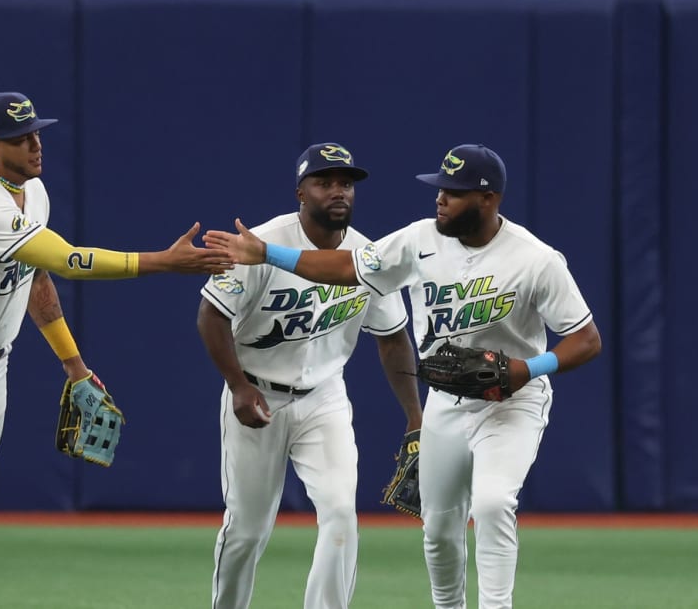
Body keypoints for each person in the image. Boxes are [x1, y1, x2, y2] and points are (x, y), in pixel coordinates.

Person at [0, 91, 231, 609]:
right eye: (19, 138)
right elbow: (71, 260)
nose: (35, 145)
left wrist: (74, 365)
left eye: (36, 134)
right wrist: (162, 261)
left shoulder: (36, 193)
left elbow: (37, 278)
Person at [204, 143, 602, 609]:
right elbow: (345, 269)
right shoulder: (416, 241)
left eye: (452, 192)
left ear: (487, 199)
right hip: (429, 399)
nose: (440, 199)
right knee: (432, 529)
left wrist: (526, 369)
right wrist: (267, 256)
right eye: (440, 189)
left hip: (499, 400)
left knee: (481, 504)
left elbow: (586, 338)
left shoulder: (536, 259)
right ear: (300, 191)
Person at [199, 143, 424, 609]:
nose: (337, 191)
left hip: (324, 396)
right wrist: (239, 386)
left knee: (341, 513)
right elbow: (211, 316)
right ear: (301, 191)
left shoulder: (367, 255)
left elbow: (392, 338)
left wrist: (415, 417)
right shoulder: (259, 243)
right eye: (324, 182)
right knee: (246, 527)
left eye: (346, 183)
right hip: (257, 393)